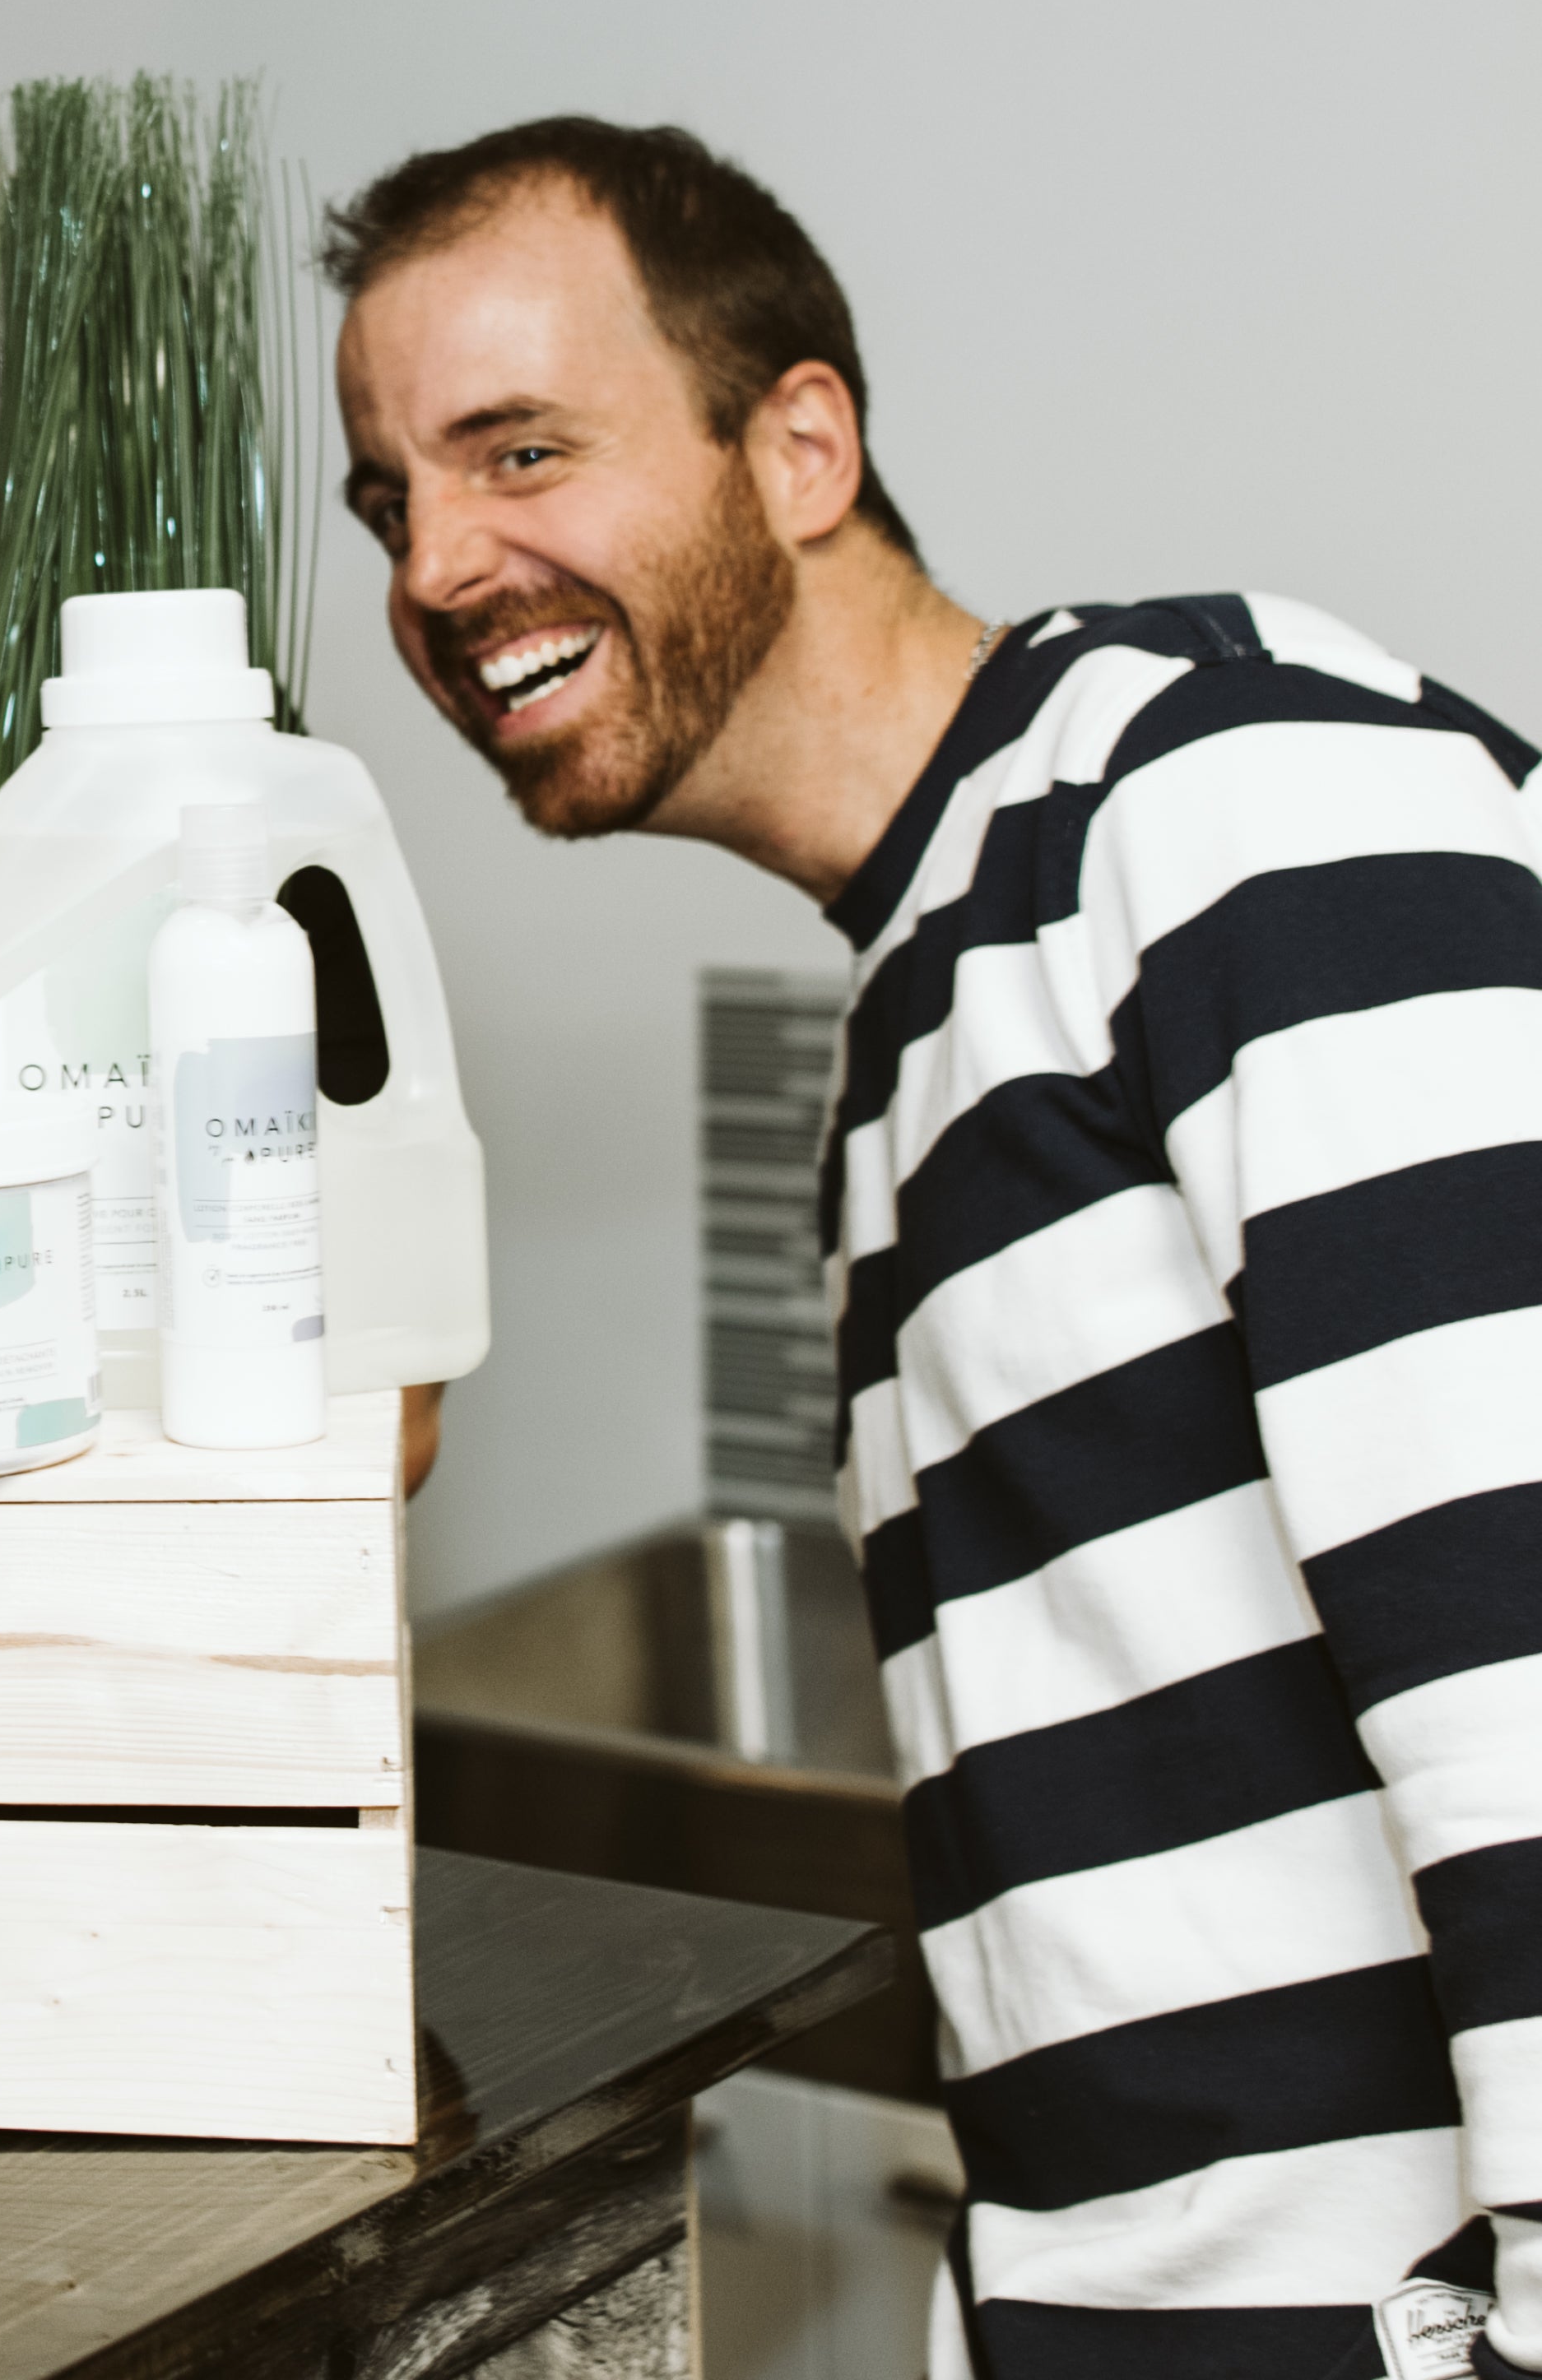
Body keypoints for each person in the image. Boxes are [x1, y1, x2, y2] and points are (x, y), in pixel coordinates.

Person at [323, 117, 1542, 2380]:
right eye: (394, 496)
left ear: (799, 445)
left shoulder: (1228, 805)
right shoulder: (915, 1015)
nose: (438, 563)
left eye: (518, 451)